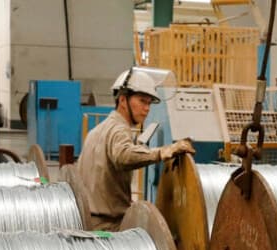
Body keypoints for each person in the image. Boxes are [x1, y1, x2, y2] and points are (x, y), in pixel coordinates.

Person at [79, 68, 194, 230]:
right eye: (142, 101)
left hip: (87, 222)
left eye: (149, 103)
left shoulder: (97, 131)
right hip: (109, 227)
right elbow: (123, 155)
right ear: (122, 100)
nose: (147, 108)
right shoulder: (119, 129)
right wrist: (162, 152)